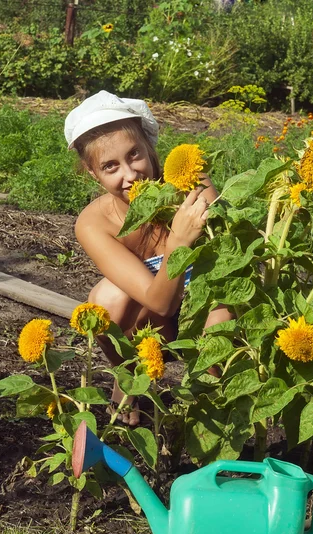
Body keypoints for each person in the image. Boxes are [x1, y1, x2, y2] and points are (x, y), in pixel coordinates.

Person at [64, 90, 232, 425]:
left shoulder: (190, 181)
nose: (130, 174)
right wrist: (179, 242)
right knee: (105, 301)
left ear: (149, 145)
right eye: (110, 166)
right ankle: (128, 380)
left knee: (219, 334)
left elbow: (229, 266)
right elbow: (160, 304)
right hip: (156, 317)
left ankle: (220, 411)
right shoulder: (94, 223)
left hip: (209, 298)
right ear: (92, 173)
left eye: (134, 155)